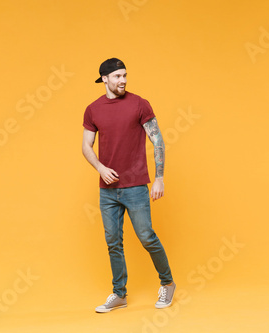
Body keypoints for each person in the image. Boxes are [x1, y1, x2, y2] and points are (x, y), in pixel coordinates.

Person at [82, 58, 176, 313]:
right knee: (113, 242)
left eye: (124, 75)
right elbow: (85, 146)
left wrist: (159, 178)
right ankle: (119, 294)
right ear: (104, 79)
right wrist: (100, 168)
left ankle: (167, 283)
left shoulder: (139, 104)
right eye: (117, 76)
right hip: (107, 189)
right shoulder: (93, 109)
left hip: (135, 186)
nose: (122, 80)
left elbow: (157, 141)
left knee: (146, 236)